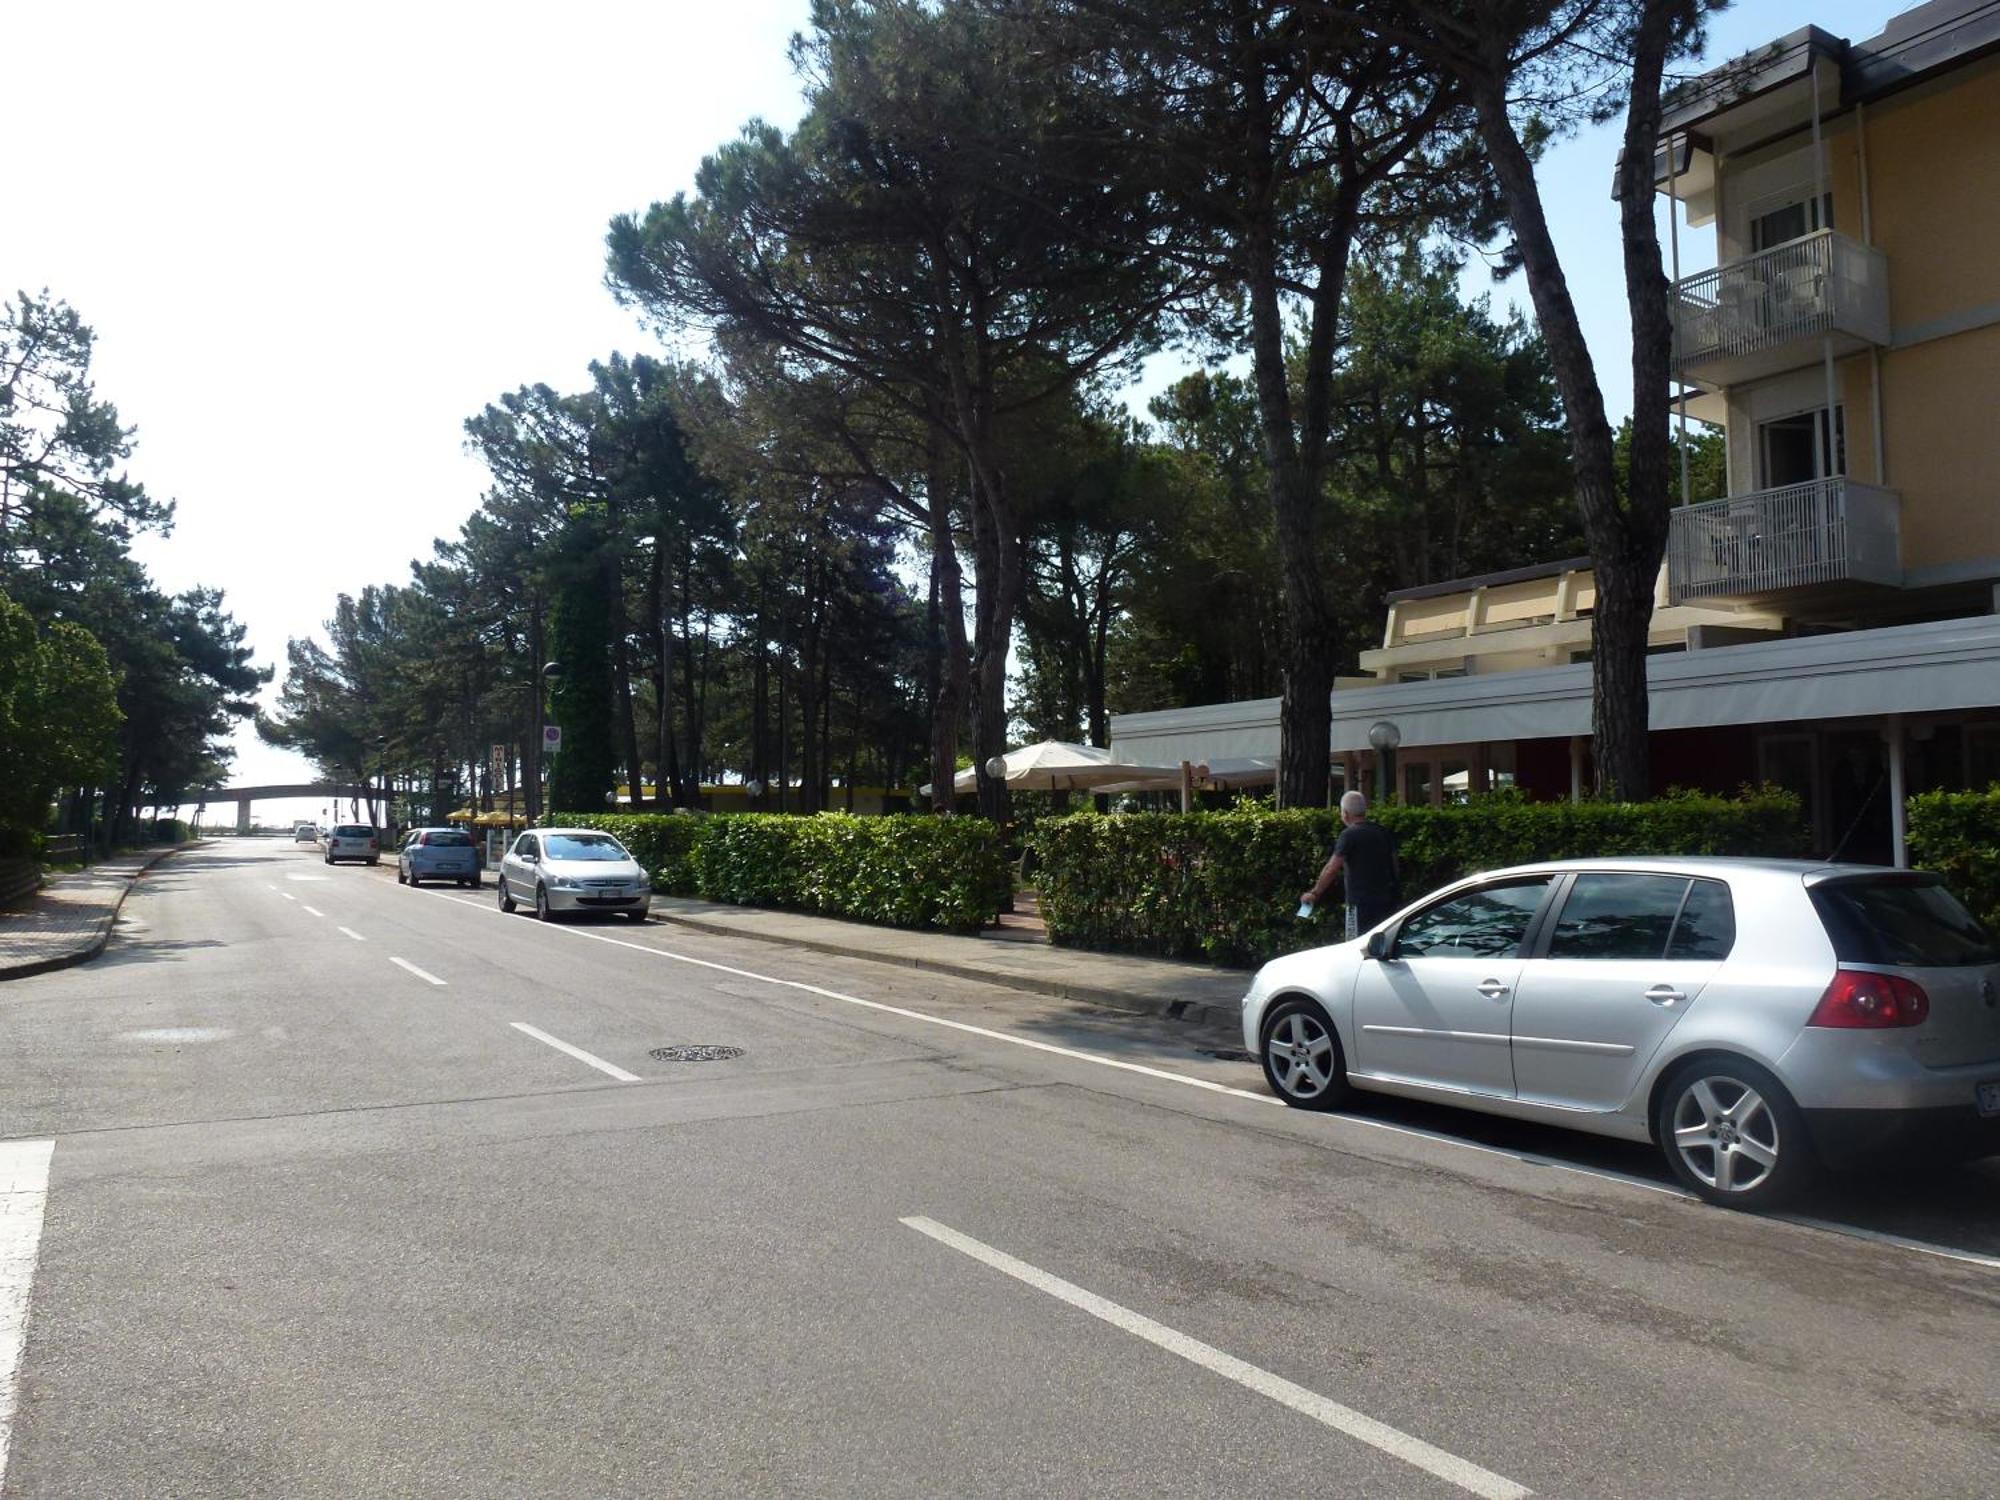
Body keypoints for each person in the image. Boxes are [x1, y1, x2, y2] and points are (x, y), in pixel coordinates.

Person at [1302, 790, 1400, 933]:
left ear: (1345, 813)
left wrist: (1315, 893)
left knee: (1356, 944)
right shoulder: (1382, 832)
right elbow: (1395, 865)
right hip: (1386, 902)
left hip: (1359, 905)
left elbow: (1332, 868)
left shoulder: (1348, 835)